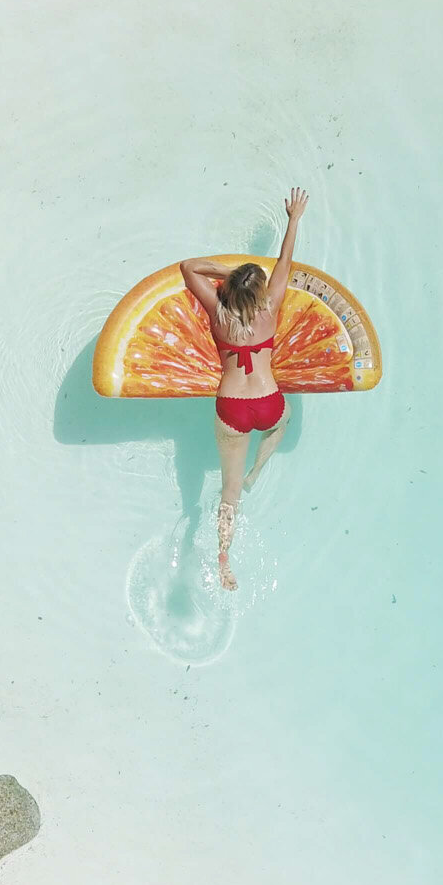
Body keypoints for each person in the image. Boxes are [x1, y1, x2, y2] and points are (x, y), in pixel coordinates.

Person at [181, 188, 308, 590]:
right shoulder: (270, 309)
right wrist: (293, 218)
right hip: (268, 403)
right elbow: (285, 261)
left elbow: (188, 267)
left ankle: (223, 558)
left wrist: (227, 276)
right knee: (281, 423)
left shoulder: (218, 313)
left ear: (230, 289)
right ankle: (258, 469)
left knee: (227, 490)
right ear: (259, 293)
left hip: (232, 409)